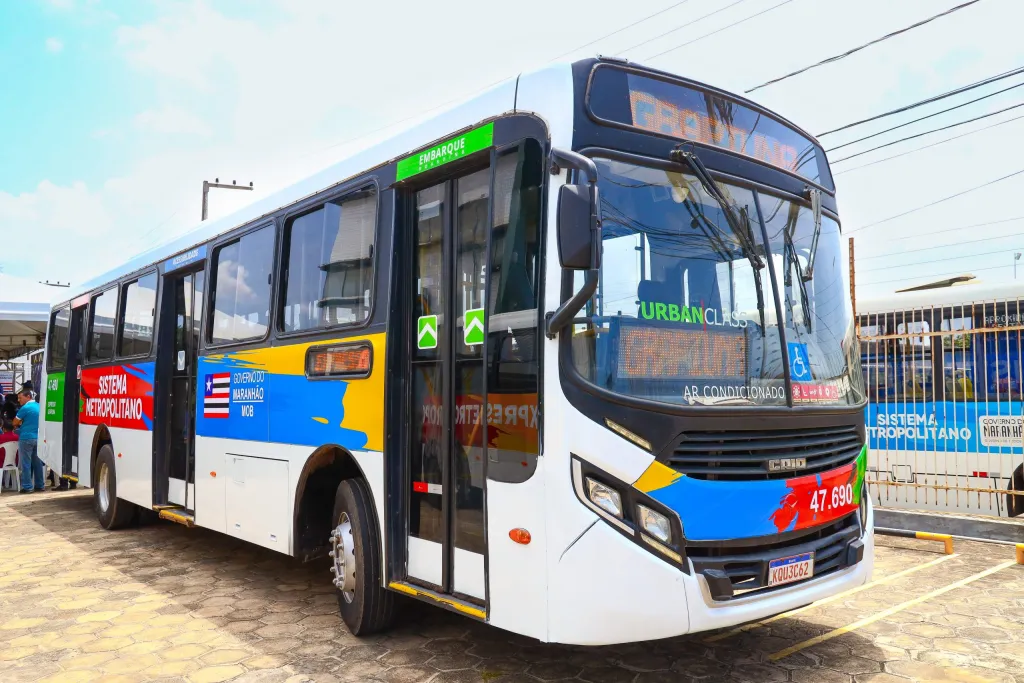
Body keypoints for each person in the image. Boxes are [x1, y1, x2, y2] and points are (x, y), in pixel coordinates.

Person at [13, 388, 44, 493]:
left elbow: (14, 423)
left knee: (26, 463)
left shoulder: (25, 408)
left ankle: (27, 487)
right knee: (37, 463)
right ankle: (40, 485)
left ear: (28, 397)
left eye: (20, 398)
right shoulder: (39, 406)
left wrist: (21, 423)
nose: (19, 400)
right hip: (38, 437)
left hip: (26, 438)